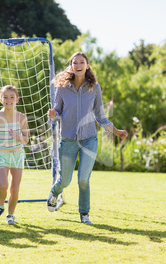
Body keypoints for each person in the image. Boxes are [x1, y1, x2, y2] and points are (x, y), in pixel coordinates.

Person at [46, 52, 128, 224]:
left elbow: (101, 116)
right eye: (75, 62)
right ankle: (54, 193)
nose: (78, 65)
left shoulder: (94, 87)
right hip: (68, 139)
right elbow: (57, 110)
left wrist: (116, 131)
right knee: (65, 181)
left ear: (87, 65)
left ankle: (84, 213)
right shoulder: (62, 87)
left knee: (83, 180)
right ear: (71, 66)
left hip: (89, 139)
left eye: (81, 62)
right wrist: (53, 114)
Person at [0, 85, 29, 225]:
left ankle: (10, 215)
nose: (8, 100)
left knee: (14, 188)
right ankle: (0, 207)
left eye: (12, 97)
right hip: (2, 156)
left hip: (17, 156)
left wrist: (18, 136)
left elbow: (26, 139)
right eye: (5, 97)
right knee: (3, 185)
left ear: (17, 99)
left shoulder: (21, 117)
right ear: (1, 99)